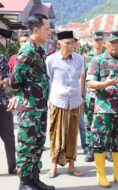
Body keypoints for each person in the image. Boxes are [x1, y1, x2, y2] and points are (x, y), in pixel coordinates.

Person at [9, 14, 54, 190]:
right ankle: (25, 182)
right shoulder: (27, 51)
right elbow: (15, 79)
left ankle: (34, 179)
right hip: (29, 108)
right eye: (47, 29)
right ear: (36, 30)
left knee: (37, 144)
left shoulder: (38, 50)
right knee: (26, 145)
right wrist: (20, 96)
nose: (49, 33)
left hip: (39, 107)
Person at [86, 30, 118, 187]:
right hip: (103, 109)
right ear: (105, 43)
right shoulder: (97, 60)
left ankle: (117, 174)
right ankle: (101, 175)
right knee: (100, 142)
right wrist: (106, 84)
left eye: (117, 42)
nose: (114, 45)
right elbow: (90, 83)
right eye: (111, 42)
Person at [45, 31, 84, 178]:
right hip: (57, 101)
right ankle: (53, 165)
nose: (71, 46)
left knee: (72, 134)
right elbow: (48, 81)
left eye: (72, 43)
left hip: (74, 101)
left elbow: (81, 78)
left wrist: (81, 97)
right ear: (59, 44)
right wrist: (49, 101)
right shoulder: (51, 60)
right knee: (55, 133)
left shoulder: (79, 59)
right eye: (67, 43)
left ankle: (71, 166)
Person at [82, 30, 112, 163]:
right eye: (96, 40)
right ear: (91, 41)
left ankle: (108, 149)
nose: (99, 42)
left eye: (101, 40)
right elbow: (82, 77)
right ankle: (91, 149)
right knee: (89, 122)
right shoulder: (86, 57)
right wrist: (80, 96)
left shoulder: (109, 56)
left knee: (107, 123)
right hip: (91, 95)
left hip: (106, 97)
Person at [0, 54, 16, 175]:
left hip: (2, 104)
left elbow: (7, 82)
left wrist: (3, 83)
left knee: (9, 138)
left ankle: (13, 167)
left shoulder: (1, 58)